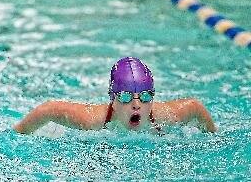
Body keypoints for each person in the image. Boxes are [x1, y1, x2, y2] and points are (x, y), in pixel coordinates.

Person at [14, 57, 216, 134]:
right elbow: (48, 109)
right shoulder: (93, 120)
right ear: (113, 98)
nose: (137, 105)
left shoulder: (168, 116)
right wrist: (17, 134)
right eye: (127, 97)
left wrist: (213, 136)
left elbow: (195, 106)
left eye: (145, 97)